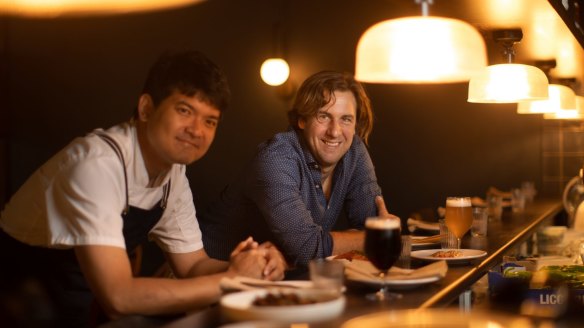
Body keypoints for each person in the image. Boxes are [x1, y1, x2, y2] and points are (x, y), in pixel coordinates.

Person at [0, 50, 286, 327]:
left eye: (210, 121)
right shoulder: (97, 164)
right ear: (146, 108)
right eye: (185, 110)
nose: (197, 130)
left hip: (74, 303)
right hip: (18, 305)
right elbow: (119, 297)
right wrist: (232, 280)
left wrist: (253, 266)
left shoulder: (173, 175)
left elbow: (193, 267)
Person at [199, 70, 395, 275]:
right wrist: (375, 236)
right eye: (323, 116)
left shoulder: (352, 149)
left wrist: (368, 235)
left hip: (272, 278)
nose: (335, 131)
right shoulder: (276, 158)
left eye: (346, 119)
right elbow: (307, 249)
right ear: (302, 120)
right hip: (210, 276)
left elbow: (371, 221)